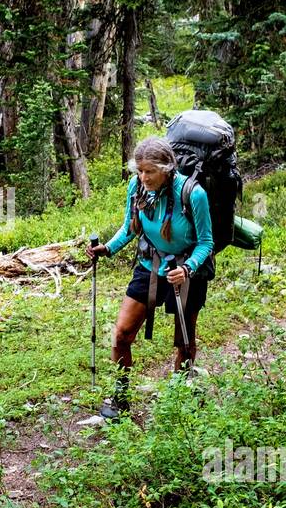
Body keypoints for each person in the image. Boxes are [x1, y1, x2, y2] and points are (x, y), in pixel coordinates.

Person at [86, 136, 214, 416]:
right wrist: (107, 248)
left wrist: (188, 268)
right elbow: (129, 228)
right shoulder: (136, 188)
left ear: (167, 168)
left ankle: (180, 394)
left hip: (186, 272)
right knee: (121, 334)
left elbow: (206, 242)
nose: (143, 177)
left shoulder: (193, 194)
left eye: (149, 171)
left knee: (185, 340)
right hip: (149, 265)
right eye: (140, 171)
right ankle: (121, 397)